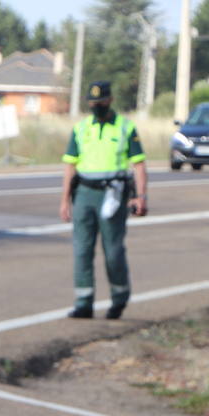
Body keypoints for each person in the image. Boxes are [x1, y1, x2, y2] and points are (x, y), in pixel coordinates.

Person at [59, 81, 148, 319]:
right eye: (93, 102)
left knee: (113, 252)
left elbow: (138, 165)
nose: (96, 106)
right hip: (85, 195)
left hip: (113, 196)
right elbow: (70, 166)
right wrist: (65, 201)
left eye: (101, 102)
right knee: (82, 251)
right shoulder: (81, 129)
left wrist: (141, 196)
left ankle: (119, 298)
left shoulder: (125, 127)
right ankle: (83, 302)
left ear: (110, 100)